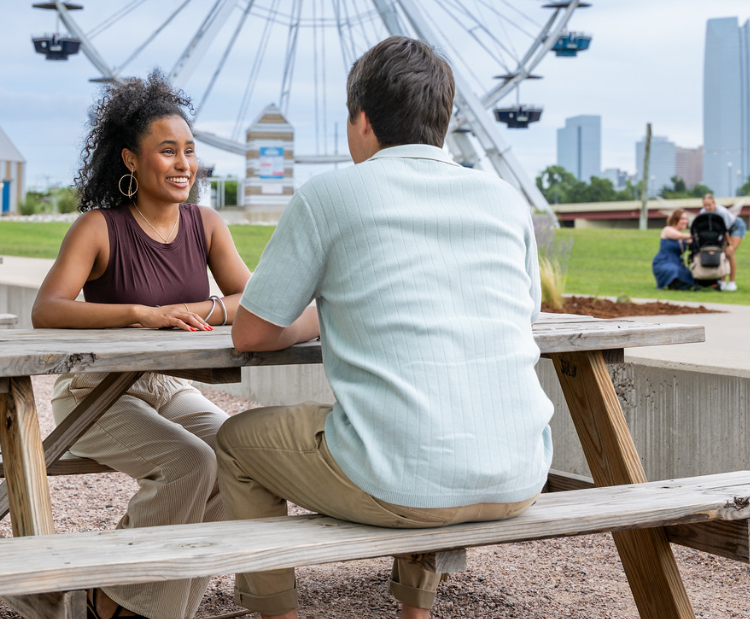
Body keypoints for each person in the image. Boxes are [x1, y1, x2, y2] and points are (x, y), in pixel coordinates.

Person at [214, 37, 555, 619]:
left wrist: (320, 317)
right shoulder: (504, 201)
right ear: (443, 122)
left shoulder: (331, 195)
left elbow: (250, 332)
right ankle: (414, 612)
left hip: (404, 483)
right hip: (521, 472)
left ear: (362, 121)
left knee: (237, 444)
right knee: (421, 410)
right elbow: (523, 314)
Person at [32, 72, 253, 619]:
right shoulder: (98, 228)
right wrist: (140, 315)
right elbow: (47, 309)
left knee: (239, 458)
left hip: (167, 386)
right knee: (190, 464)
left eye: (190, 151)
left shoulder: (206, 225)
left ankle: (112, 596)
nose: (184, 164)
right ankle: (136, 606)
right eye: (168, 151)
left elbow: (249, 297)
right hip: (95, 392)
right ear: (131, 160)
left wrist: (196, 311)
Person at [699, 192, 743, 291]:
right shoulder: (703, 213)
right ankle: (722, 282)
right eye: (705, 205)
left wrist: (729, 245)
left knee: (729, 253)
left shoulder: (721, 212)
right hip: (719, 231)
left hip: (735, 227)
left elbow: (725, 230)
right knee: (720, 253)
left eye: (709, 205)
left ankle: (732, 282)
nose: (707, 207)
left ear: (714, 204)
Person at [653, 209, 696, 290]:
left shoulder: (684, 236)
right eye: (682, 219)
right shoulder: (667, 230)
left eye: (686, 219)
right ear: (675, 220)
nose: (685, 221)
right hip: (663, 261)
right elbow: (680, 236)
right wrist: (694, 234)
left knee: (689, 275)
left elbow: (691, 240)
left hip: (677, 263)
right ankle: (669, 283)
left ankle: (676, 285)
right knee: (673, 270)